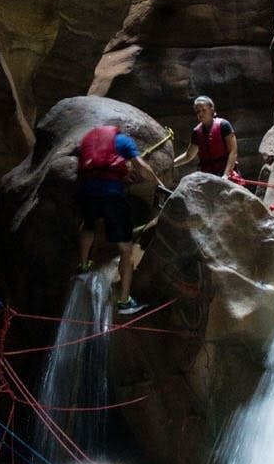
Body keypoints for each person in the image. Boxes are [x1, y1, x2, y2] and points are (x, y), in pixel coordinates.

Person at [76, 120, 165, 315]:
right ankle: (124, 302)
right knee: (125, 249)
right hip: (112, 195)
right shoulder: (122, 141)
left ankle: (82, 266)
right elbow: (141, 166)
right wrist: (158, 184)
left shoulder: (88, 142)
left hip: (86, 191)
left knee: (88, 225)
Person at [174, 96, 238, 178]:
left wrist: (226, 175)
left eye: (204, 110)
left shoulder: (224, 125)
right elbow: (188, 156)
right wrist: (172, 164)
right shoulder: (196, 132)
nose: (200, 114)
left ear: (212, 110)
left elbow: (233, 151)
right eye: (198, 111)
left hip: (227, 174)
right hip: (207, 177)